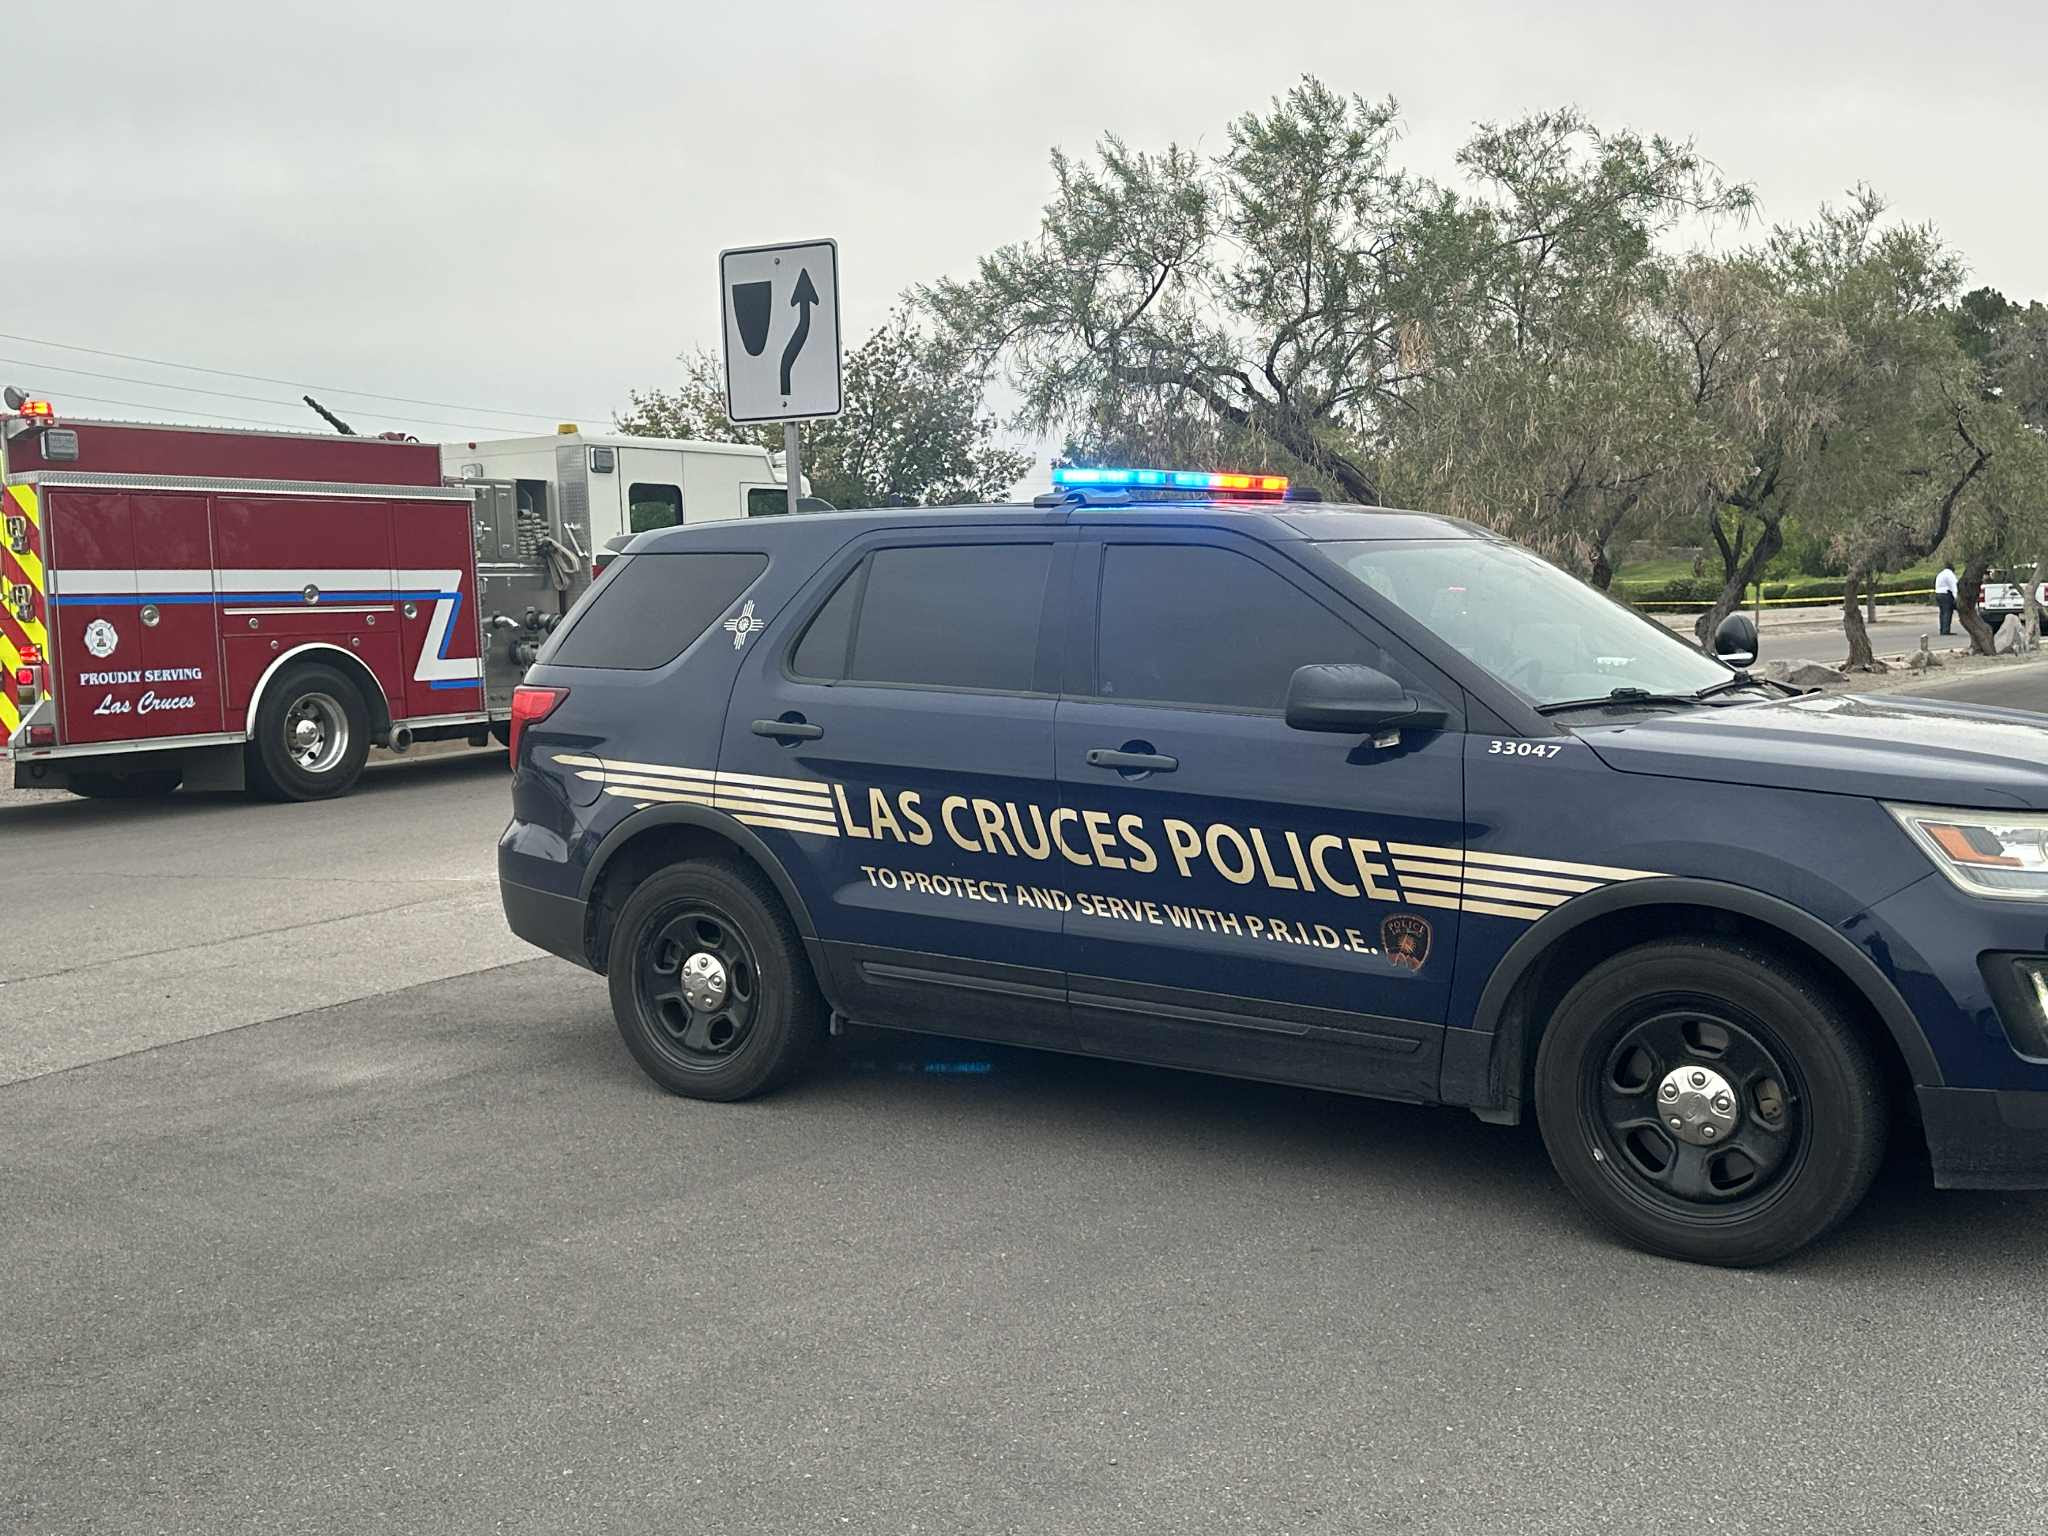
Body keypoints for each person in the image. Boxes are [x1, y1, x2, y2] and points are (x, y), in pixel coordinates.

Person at [1935, 564, 1958, 636]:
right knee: (1947, 612)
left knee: (1942, 612)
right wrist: (1956, 597)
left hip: (1938, 594)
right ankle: (1946, 630)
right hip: (1946, 594)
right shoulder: (1950, 574)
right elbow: (1954, 586)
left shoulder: (1940, 574)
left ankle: (1942, 629)